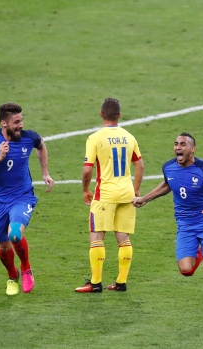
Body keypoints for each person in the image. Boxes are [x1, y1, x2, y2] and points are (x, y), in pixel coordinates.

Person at [132, 133, 203, 322]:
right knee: (186, 270)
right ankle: (201, 250)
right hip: (185, 226)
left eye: (183, 144)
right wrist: (144, 199)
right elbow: (167, 185)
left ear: (192, 149)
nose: (178, 147)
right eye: (176, 144)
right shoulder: (168, 167)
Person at [0, 102, 54, 296]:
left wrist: (45, 173)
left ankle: (26, 268)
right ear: (4, 123)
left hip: (22, 197)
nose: (21, 125)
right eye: (16, 122)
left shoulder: (28, 137)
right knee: (3, 245)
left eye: (21, 120)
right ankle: (12, 275)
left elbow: (41, 146)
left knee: (15, 234)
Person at [75, 98, 144, 293]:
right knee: (124, 238)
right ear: (119, 116)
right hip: (126, 193)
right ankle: (121, 282)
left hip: (105, 194)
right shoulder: (129, 137)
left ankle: (95, 283)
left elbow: (88, 170)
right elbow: (140, 165)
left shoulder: (95, 138)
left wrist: (84, 190)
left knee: (96, 238)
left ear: (101, 114)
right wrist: (136, 190)